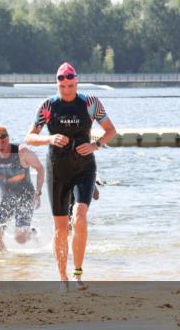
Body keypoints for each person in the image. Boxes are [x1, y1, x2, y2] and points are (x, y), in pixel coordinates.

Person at [25, 62, 116, 290]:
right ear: (57, 83)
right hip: (58, 170)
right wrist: (49, 138)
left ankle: (77, 273)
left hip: (84, 168)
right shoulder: (47, 106)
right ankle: (62, 277)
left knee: (80, 217)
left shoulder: (90, 103)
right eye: (62, 86)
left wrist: (95, 145)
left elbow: (111, 130)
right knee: (61, 229)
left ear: (77, 82)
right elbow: (29, 137)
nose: (66, 90)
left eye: (71, 85)